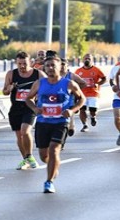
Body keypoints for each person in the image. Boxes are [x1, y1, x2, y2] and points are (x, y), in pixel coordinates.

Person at [25, 56, 85, 193]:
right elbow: (28, 98)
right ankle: (53, 167)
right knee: (43, 156)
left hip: (60, 122)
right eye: (47, 66)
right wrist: (35, 109)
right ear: (44, 69)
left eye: (53, 65)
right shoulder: (39, 83)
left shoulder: (69, 83)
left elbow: (82, 98)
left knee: (54, 150)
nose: (50, 68)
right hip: (42, 122)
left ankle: (49, 181)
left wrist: (72, 110)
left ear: (60, 67)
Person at [2, 51, 42, 170]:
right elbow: (4, 91)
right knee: (19, 136)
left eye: (24, 63)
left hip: (30, 107)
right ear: (16, 63)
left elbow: (48, 86)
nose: (22, 66)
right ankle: (25, 159)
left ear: (30, 62)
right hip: (15, 108)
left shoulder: (38, 74)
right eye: (19, 64)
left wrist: (39, 95)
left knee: (25, 131)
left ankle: (29, 156)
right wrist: (9, 88)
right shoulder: (11, 74)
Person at [74, 54, 106, 132]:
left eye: (88, 58)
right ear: (82, 60)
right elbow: (74, 81)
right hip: (82, 94)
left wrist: (98, 84)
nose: (87, 60)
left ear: (92, 60)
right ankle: (85, 125)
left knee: (93, 109)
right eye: (85, 58)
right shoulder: (78, 71)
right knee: (82, 109)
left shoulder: (96, 70)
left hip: (93, 93)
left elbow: (104, 78)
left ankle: (93, 117)